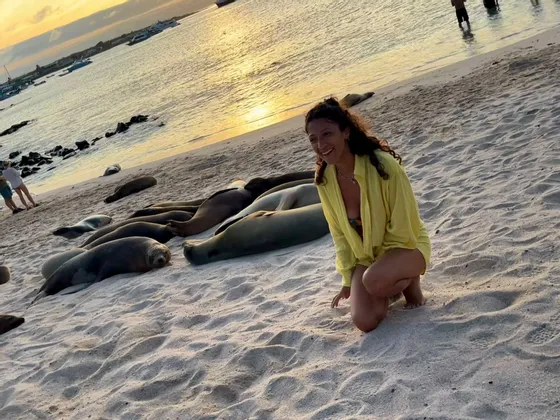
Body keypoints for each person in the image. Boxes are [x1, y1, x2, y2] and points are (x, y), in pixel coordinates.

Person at [305, 98, 431, 333]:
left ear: (346, 132)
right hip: (367, 257)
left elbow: (405, 226)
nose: (320, 145)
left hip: (407, 245)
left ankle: (410, 282)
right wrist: (347, 278)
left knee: (374, 280)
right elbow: (339, 235)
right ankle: (384, 284)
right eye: (313, 139)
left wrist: (384, 271)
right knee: (364, 322)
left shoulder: (383, 166)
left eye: (327, 134)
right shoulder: (324, 180)